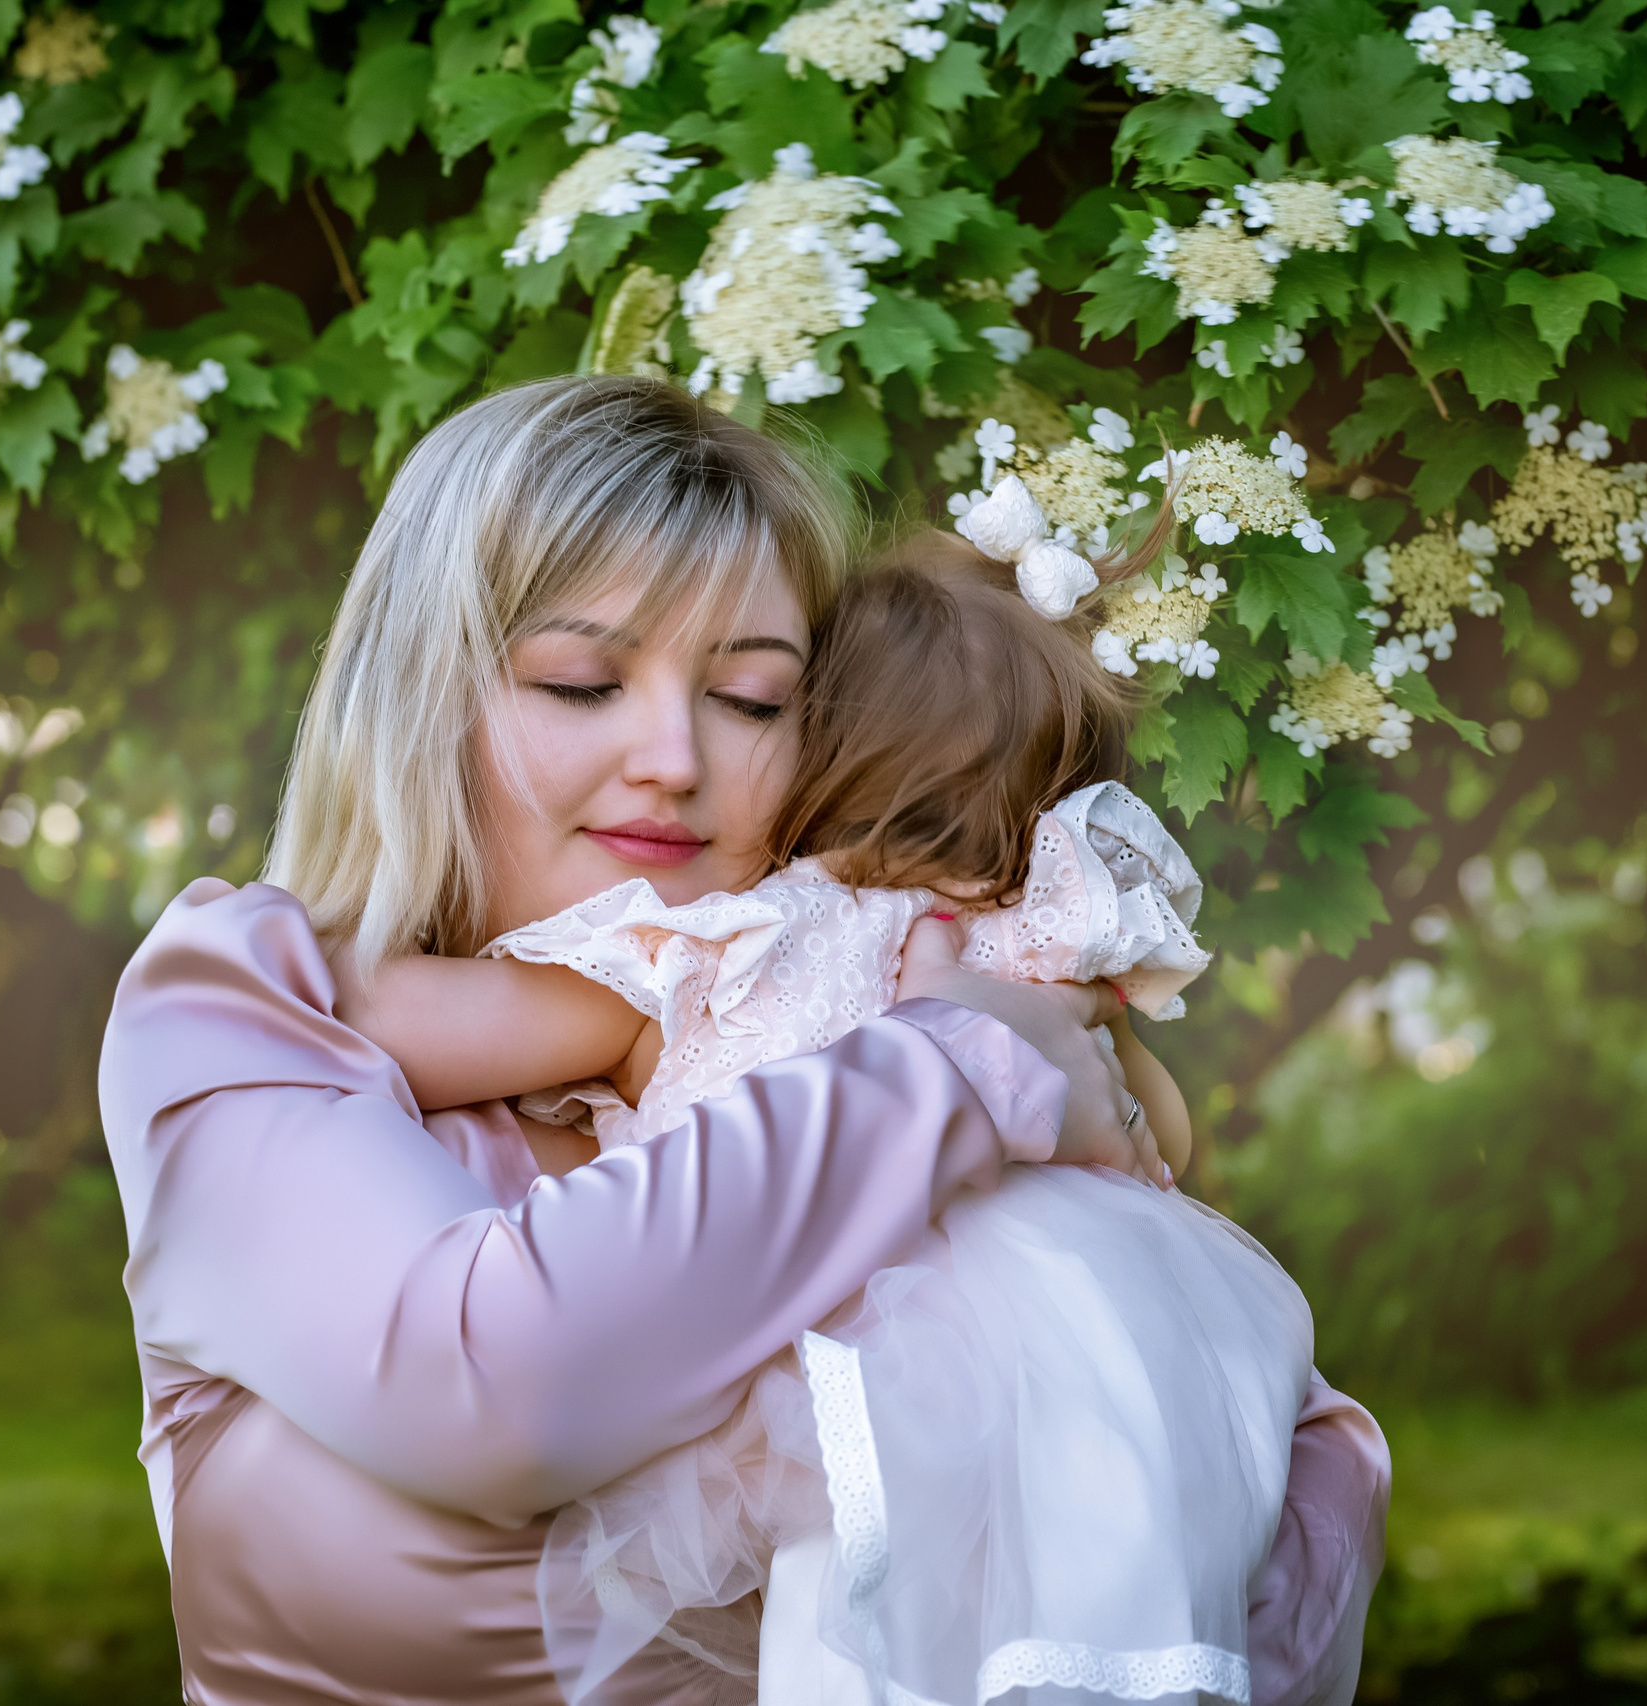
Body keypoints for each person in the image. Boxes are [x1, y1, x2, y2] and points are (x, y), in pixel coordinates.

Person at [98, 376, 1388, 1704]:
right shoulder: (247, 1003)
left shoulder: (877, 996)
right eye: (584, 680)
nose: (672, 754)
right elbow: (497, 1381)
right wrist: (954, 1061)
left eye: (755, 699)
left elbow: (1268, 1509)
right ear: (423, 699)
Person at [337, 534, 1336, 1706]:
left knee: (847, 1610)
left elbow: (387, 1018)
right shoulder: (1024, 963)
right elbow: (1154, 1139)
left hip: (845, 1357)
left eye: (753, 704)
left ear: (812, 751)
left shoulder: (722, 947)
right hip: (1077, 1342)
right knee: (1057, 1600)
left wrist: (276, 941)